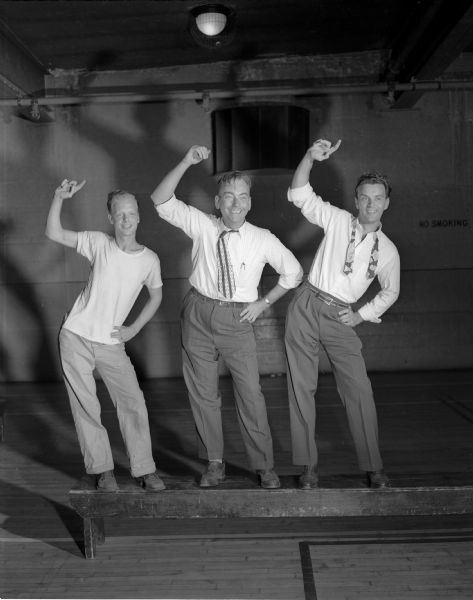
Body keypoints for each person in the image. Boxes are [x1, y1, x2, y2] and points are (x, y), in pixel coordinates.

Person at [151, 145, 303, 489]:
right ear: (218, 202)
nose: (236, 203)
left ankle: (264, 465)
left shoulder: (262, 239)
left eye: (243, 196)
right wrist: (186, 162)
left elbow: (293, 273)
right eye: (229, 196)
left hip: (238, 321)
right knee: (203, 393)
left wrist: (265, 303)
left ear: (250, 202)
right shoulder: (202, 225)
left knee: (250, 393)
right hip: (199, 313)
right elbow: (160, 200)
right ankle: (215, 464)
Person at [285, 139, 400, 489]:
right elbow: (300, 193)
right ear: (355, 200)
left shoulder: (389, 251)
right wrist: (308, 157)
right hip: (306, 303)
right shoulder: (337, 219)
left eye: (378, 198)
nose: (370, 204)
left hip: (341, 316)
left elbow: (390, 291)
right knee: (301, 387)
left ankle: (373, 465)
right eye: (364, 197)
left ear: (386, 203)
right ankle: (307, 467)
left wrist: (362, 315)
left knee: (359, 390)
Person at [46, 179, 165, 492]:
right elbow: (54, 233)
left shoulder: (149, 260)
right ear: (111, 219)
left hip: (112, 343)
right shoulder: (98, 242)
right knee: (86, 406)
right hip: (75, 337)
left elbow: (155, 297)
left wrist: (133, 329)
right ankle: (102, 470)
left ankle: (144, 469)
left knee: (133, 402)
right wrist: (59, 198)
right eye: (119, 214)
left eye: (132, 213)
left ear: (139, 216)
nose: (126, 219)